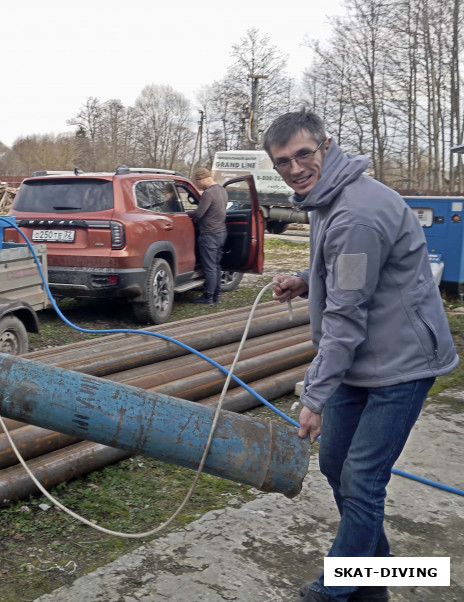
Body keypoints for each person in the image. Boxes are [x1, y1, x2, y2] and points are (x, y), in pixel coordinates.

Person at [265, 110, 458, 602]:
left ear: (326, 146)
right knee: (336, 465)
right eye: (282, 161)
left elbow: (346, 315)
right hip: (362, 360)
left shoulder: (355, 212)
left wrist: (314, 395)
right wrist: (307, 280)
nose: (294, 168)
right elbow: (348, 271)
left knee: (362, 477)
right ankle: (374, 584)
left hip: (403, 363)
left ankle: (333, 591)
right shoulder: (329, 199)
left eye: (303, 154)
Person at [187, 166, 227, 304]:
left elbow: (199, 213)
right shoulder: (222, 190)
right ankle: (216, 296)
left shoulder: (208, 194)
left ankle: (208, 297)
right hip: (221, 233)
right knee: (216, 265)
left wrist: (186, 213)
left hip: (209, 234)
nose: (199, 186)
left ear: (202, 179)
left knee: (209, 267)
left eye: (198, 183)